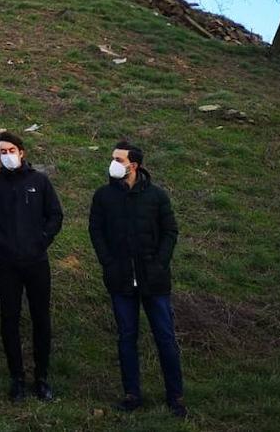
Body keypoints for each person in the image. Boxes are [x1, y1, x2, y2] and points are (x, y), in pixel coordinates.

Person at [89, 141, 187, 418]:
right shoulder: (104, 196)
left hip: (154, 281)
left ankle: (175, 396)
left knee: (165, 338)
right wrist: (108, 263)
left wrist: (159, 264)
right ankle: (132, 394)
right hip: (120, 279)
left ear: (134, 165)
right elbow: (96, 231)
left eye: (119, 159)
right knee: (126, 337)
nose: (113, 163)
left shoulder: (156, 196)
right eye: (113, 158)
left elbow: (170, 231)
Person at [0, 130, 63, 402]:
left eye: (10, 150)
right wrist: (1, 243)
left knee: (41, 319)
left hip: (37, 261)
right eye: (2, 152)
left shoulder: (40, 181)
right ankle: (17, 378)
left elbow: (55, 215)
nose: (7, 156)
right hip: (8, 263)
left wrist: (42, 241)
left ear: (21, 152)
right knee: (9, 319)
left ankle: (42, 378)